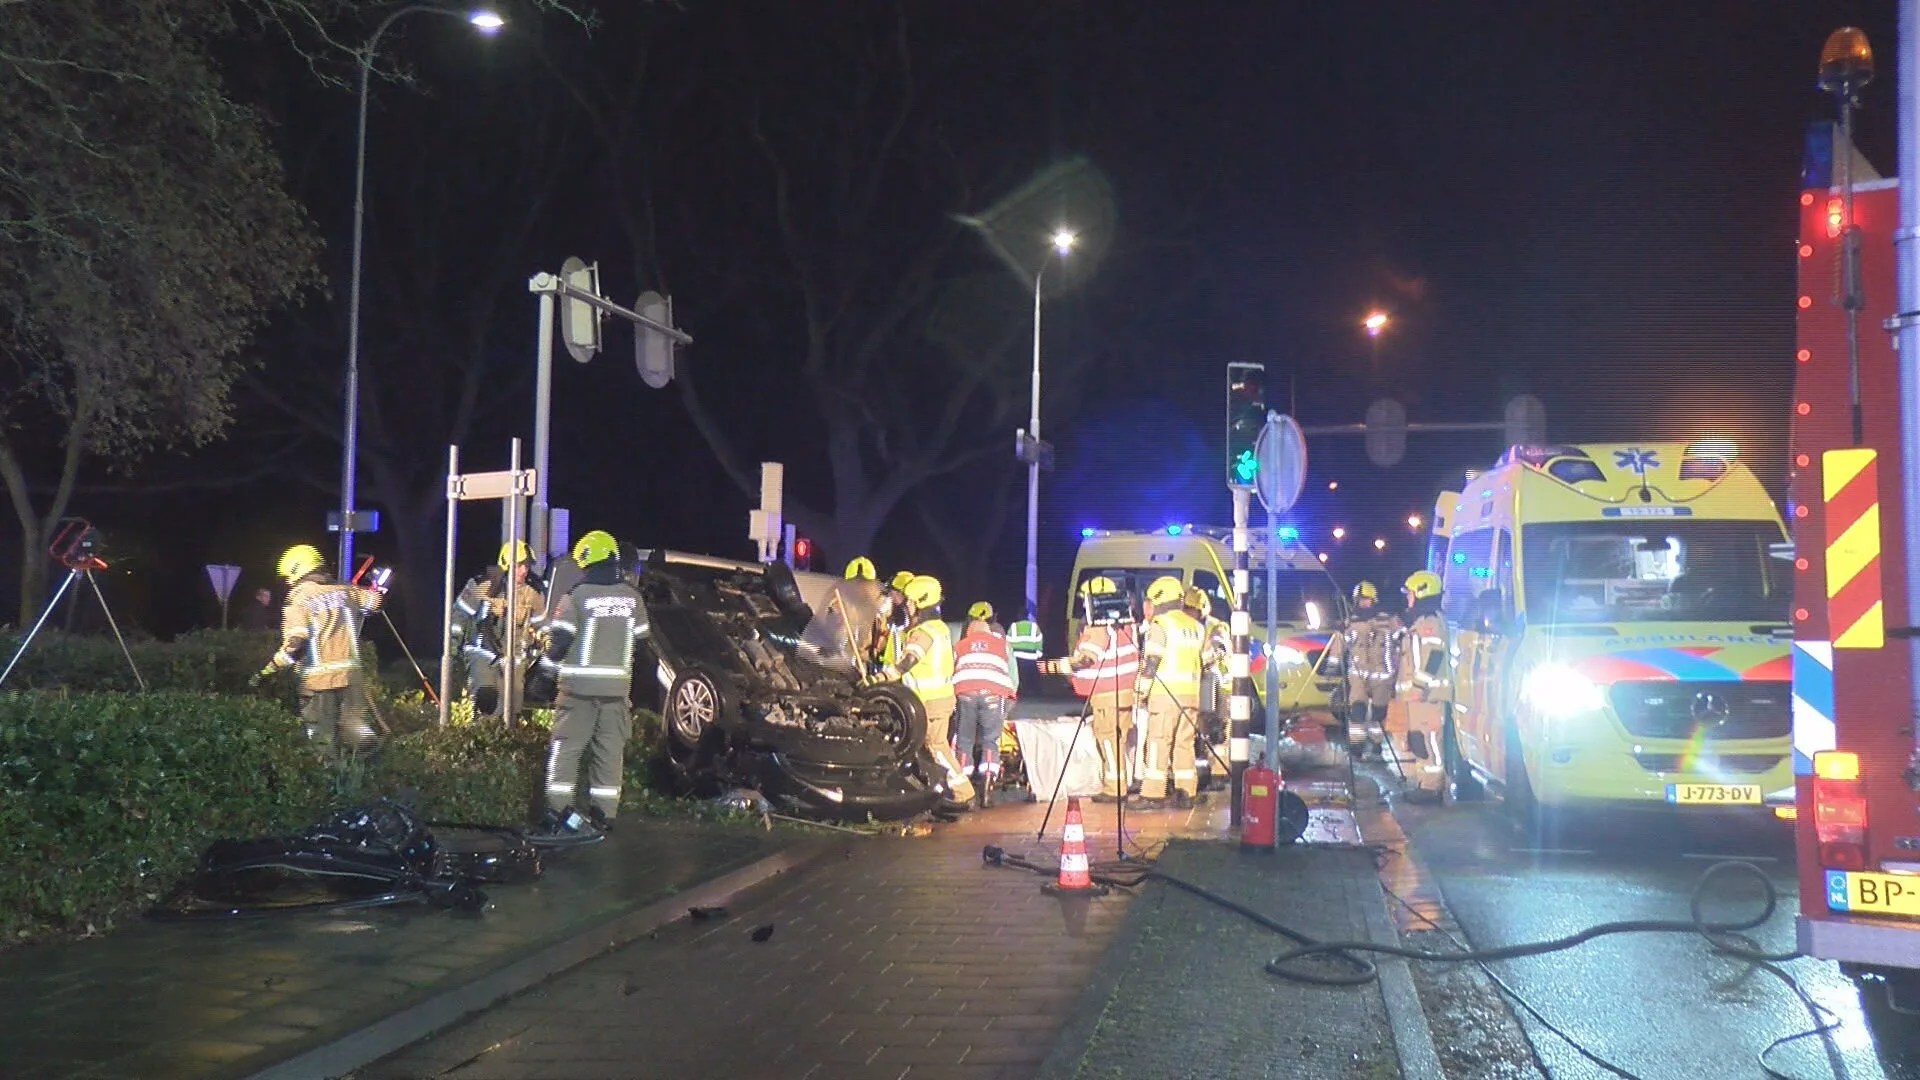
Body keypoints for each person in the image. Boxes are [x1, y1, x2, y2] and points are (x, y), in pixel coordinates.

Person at [535, 529, 646, 833]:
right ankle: (604, 815)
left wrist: (544, 676)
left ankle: (556, 814)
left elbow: (559, 642)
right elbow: (642, 643)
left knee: (566, 750)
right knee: (610, 754)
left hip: (577, 692)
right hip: (617, 693)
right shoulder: (633, 599)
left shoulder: (577, 597)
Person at [257, 544, 381, 758]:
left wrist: (269, 670)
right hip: (351, 679)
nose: (287, 582)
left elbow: (296, 642)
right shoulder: (345, 592)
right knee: (354, 730)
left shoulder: (298, 599)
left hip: (317, 683)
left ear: (297, 570)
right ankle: (364, 774)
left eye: (288, 576)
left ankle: (328, 782)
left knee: (321, 742)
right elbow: (375, 602)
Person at [885, 574, 973, 810]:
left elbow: (909, 660)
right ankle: (935, 789)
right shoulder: (939, 628)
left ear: (920, 603)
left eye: (911, 602)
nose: (908, 606)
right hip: (939, 699)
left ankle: (962, 791)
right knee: (925, 747)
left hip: (929, 702)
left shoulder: (922, 632)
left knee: (936, 746)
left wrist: (883, 677)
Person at [1134, 575, 1213, 809]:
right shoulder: (1197, 627)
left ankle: (1152, 794)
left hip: (1165, 695)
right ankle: (1186, 792)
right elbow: (1209, 662)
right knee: (1184, 744)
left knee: (1159, 742)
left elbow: (1151, 663)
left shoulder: (1162, 625)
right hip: (1192, 696)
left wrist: (1139, 692)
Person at [1061, 576, 1138, 803]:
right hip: (1125, 691)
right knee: (1120, 739)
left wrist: (1054, 667)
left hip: (1105, 694)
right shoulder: (1128, 625)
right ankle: (1122, 783)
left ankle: (1115, 789)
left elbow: (1085, 660)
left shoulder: (1096, 630)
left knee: (1107, 739)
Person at [450, 541, 546, 718]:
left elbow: (541, 625)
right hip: (482, 651)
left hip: (515, 657)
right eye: (518, 566)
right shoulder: (483, 584)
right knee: (486, 699)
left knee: (512, 708)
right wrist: (453, 645)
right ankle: (481, 738)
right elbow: (459, 615)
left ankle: (506, 740)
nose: (524, 571)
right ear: (506, 564)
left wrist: (541, 643)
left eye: (526, 565)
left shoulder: (534, 591)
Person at [1388, 570, 1451, 801]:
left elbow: (1434, 656)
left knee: (1429, 741)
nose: (1408, 598)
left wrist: (1419, 686)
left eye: (1411, 593)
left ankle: (1432, 788)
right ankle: (1425, 784)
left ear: (1422, 593)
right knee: (1419, 740)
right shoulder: (1420, 622)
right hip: (1419, 696)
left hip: (1427, 696)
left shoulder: (1430, 622)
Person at [952, 602, 1017, 808]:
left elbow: (953, 670)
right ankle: (987, 789)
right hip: (994, 694)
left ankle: (963, 791)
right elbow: (1011, 676)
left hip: (965, 693)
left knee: (964, 741)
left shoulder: (960, 644)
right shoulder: (1001, 645)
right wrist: (1007, 704)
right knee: (991, 741)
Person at [1331, 581, 1399, 759]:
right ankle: (1356, 746)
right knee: (1357, 710)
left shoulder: (1388, 620)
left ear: (1373, 600)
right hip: (1358, 674)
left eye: (1366, 599)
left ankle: (1376, 744)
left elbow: (1403, 639)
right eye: (1360, 600)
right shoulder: (1350, 622)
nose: (1363, 603)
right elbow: (1340, 643)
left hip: (1382, 676)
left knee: (1378, 713)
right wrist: (1333, 664)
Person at [1184, 584, 1231, 791]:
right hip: (1204, 685)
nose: (1188, 613)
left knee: (1218, 732)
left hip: (1222, 687)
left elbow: (1218, 650)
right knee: (1201, 731)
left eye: (1190, 609)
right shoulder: (1191, 627)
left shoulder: (1215, 627)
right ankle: (1204, 773)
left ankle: (1220, 774)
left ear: (1201, 609)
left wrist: (1202, 659)